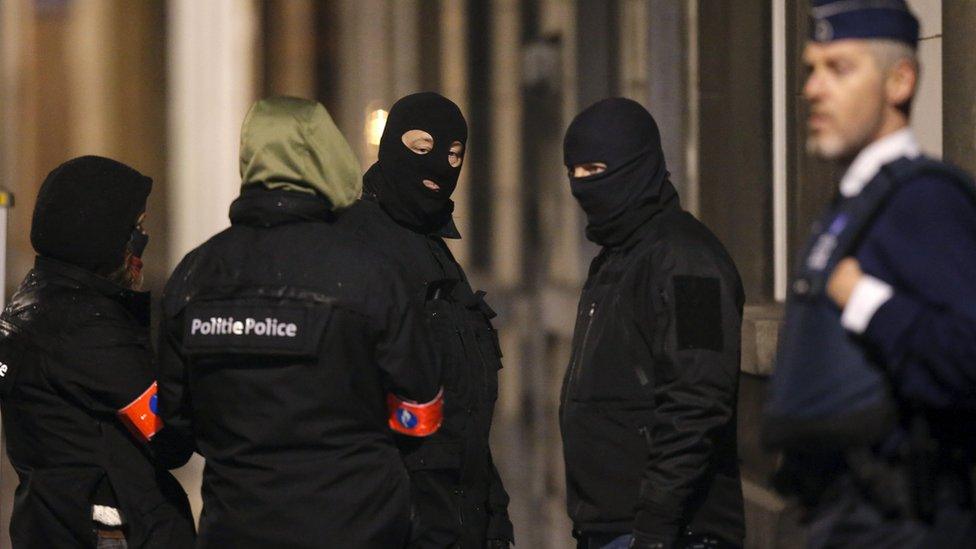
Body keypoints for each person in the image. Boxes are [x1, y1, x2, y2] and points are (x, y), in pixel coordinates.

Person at [155, 97, 443, 548]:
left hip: (237, 527)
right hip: (357, 525)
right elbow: (421, 412)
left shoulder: (195, 276)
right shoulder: (369, 273)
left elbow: (174, 424)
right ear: (326, 156)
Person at [764, 1, 976, 547]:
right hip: (839, 516)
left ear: (899, 81)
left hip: (895, 521)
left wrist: (866, 302)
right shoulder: (853, 202)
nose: (812, 88)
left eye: (840, 68)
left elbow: (966, 357)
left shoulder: (923, 199)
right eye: (811, 68)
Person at [559, 98, 745, 549]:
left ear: (635, 165)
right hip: (613, 528)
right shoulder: (617, 257)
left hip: (670, 532)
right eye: (575, 173)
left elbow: (698, 399)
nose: (584, 185)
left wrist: (656, 525)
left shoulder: (686, 260)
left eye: (597, 168)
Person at [337, 92, 514, 548]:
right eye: (422, 149)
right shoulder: (360, 245)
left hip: (457, 520)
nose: (439, 167)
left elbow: (464, 407)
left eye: (455, 155)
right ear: (393, 146)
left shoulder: (432, 247)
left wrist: (492, 509)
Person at [0, 156, 195, 548]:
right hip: (107, 531)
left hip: (51, 525)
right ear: (99, 233)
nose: (142, 240)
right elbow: (171, 438)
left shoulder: (33, 300)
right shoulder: (87, 329)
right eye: (136, 228)